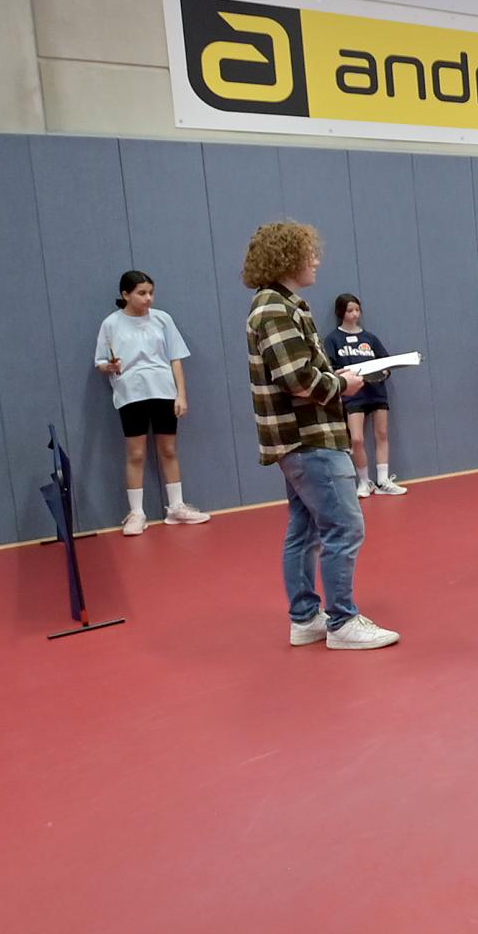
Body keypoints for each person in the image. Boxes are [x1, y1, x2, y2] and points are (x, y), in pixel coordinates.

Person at [243, 221, 398, 651]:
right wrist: (342, 384)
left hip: (302, 438)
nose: (315, 260)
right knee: (344, 528)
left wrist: (334, 374)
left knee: (306, 529)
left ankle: (306, 618)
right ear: (286, 259)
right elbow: (296, 379)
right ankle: (342, 622)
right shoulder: (275, 309)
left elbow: (300, 371)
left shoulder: (283, 305)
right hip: (309, 438)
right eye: (308, 253)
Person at [94, 270, 211, 535]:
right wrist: (110, 367)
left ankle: (176, 507)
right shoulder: (111, 324)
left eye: (151, 293)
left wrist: (181, 395)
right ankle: (136, 513)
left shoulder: (162, 319)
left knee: (168, 449)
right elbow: (100, 362)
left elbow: (175, 358)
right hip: (130, 394)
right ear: (126, 295)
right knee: (136, 454)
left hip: (163, 392)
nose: (148, 298)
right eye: (141, 293)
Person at [324, 294, 407, 499]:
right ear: (341, 312)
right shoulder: (333, 339)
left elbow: (386, 363)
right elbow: (330, 369)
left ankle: (383, 480)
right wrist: (341, 375)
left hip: (376, 392)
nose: (354, 314)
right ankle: (364, 481)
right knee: (357, 439)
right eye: (349, 310)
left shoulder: (370, 338)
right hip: (353, 395)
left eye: (357, 310)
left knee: (382, 434)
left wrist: (384, 372)